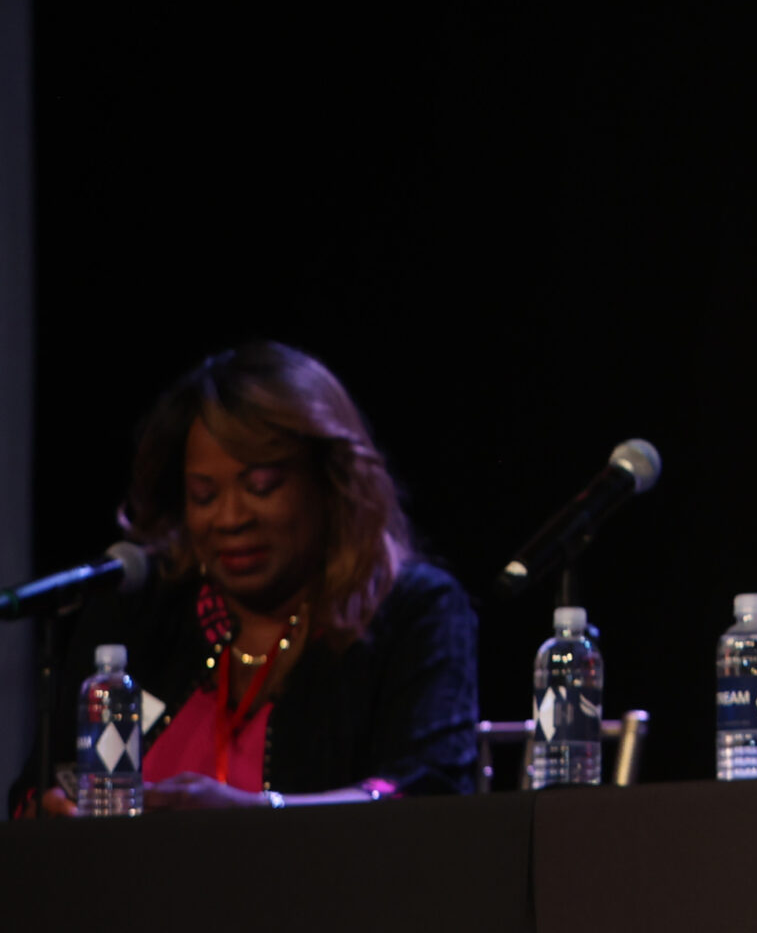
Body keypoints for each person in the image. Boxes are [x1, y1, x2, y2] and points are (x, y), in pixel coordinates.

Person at [12, 341, 479, 812]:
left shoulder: (414, 611)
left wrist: (258, 816)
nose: (231, 518)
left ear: (330, 482)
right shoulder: (139, 610)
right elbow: (37, 790)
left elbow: (427, 790)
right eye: (204, 495)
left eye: (261, 488)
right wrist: (48, 810)